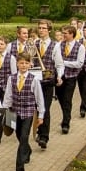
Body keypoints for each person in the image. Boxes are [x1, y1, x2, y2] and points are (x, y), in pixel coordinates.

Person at [2, 52, 43, 171]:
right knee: (19, 136)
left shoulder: (34, 79)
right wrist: (4, 111)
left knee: (24, 136)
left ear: (30, 64)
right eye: (21, 63)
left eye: (26, 63)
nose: (23, 65)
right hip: (14, 112)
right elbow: (8, 96)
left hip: (28, 112)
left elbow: (39, 99)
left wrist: (41, 115)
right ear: (17, 64)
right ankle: (28, 151)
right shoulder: (11, 78)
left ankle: (20, 170)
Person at [32, 19, 60, 149]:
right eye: (40, 28)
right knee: (37, 108)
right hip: (35, 81)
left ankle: (44, 137)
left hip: (48, 81)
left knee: (45, 108)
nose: (41, 30)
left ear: (49, 30)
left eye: (44, 28)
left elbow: (59, 64)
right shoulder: (34, 43)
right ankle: (38, 130)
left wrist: (59, 76)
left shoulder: (56, 45)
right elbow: (30, 60)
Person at [55, 24, 85, 134]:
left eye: (65, 33)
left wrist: (64, 62)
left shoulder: (80, 47)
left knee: (67, 99)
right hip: (59, 76)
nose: (63, 35)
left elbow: (79, 64)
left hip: (71, 77)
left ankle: (66, 123)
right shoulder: (59, 45)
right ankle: (65, 115)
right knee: (61, 98)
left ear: (72, 34)